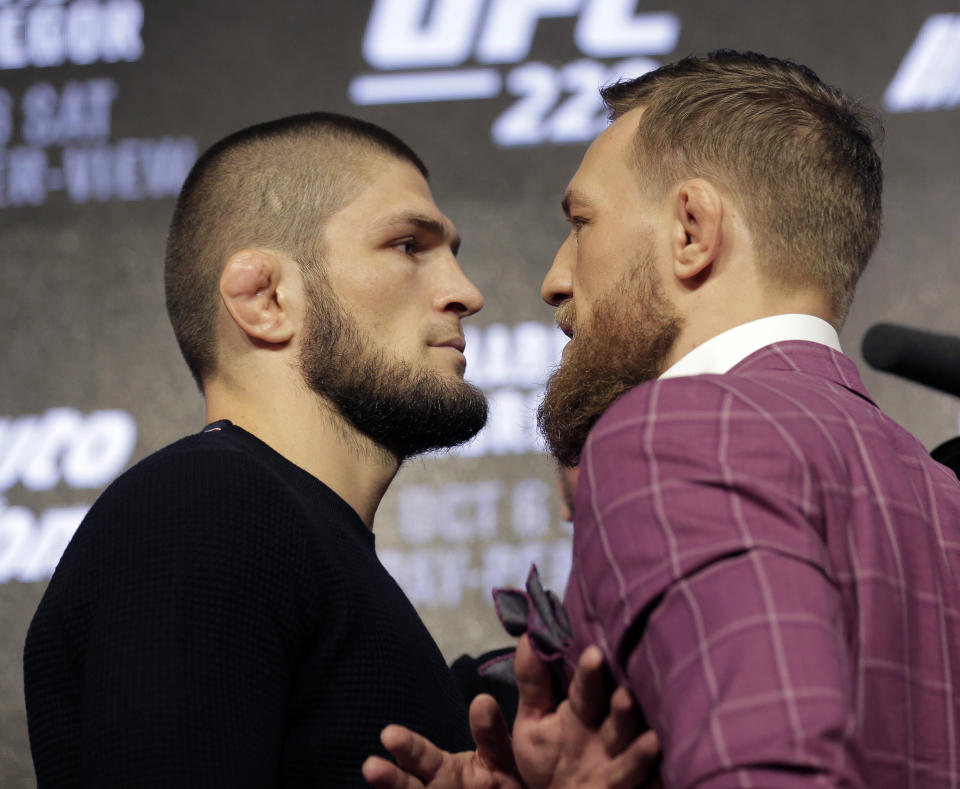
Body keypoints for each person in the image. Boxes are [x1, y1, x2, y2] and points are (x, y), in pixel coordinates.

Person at [23, 113, 651, 787]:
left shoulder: (295, 539)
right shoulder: (202, 507)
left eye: (453, 253)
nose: (466, 293)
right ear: (266, 298)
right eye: (409, 245)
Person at [532, 50, 960, 788]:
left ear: (692, 229)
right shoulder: (937, 487)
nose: (555, 279)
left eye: (582, 222)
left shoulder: (674, 434)